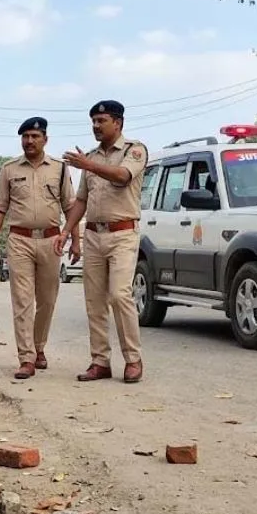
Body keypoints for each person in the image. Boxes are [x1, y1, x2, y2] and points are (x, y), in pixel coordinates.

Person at [56, 100, 148, 383]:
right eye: (93, 122)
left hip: (123, 234)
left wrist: (88, 165)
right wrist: (66, 231)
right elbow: (81, 200)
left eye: (101, 121)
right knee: (94, 300)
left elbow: (122, 176)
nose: (96, 126)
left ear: (117, 123)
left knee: (120, 295)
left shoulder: (134, 150)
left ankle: (133, 359)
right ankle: (100, 361)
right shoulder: (91, 158)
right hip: (94, 235)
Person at [0, 117, 78, 379]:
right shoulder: (9, 169)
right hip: (20, 240)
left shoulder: (59, 168)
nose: (29, 141)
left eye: (35, 136)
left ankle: (39, 347)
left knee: (47, 300)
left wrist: (76, 241)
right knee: (23, 300)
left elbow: (70, 206)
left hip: (52, 241)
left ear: (45, 139)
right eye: (25, 136)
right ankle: (26, 357)